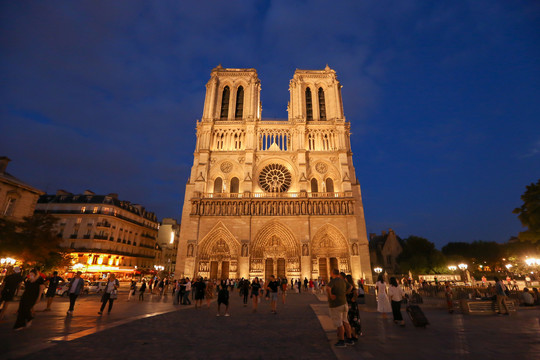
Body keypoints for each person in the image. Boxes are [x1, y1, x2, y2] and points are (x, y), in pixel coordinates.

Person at [327, 269, 354, 347]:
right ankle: (349, 339)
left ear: (332, 273)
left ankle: (342, 341)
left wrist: (331, 295)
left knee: (339, 323)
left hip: (336, 304)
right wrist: (345, 293)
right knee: (345, 321)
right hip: (344, 303)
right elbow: (351, 286)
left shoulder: (333, 280)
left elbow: (328, 288)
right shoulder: (343, 281)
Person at [345, 275, 361, 341]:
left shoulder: (351, 287)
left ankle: (354, 335)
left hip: (351, 306)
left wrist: (353, 299)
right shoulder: (351, 286)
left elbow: (356, 293)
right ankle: (353, 334)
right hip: (350, 305)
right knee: (351, 320)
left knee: (352, 320)